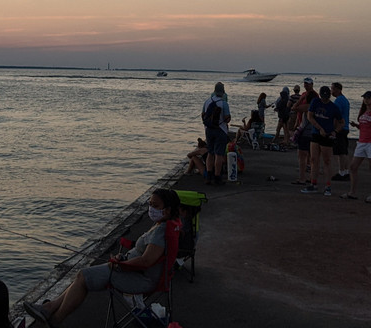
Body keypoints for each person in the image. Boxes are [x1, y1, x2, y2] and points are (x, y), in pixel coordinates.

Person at [23, 189, 181, 327]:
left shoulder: (161, 231)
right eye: (150, 204)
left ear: (167, 210)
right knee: (81, 276)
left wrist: (121, 264)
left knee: (83, 276)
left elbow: (146, 261)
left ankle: (55, 320)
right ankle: (49, 308)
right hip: (130, 270)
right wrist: (122, 259)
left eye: (155, 206)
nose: (151, 208)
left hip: (140, 279)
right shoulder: (162, 225)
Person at [344, 91, 371, 203]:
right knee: (353, 167)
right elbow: (364, 127)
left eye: (368, 98)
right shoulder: (363, 111)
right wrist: (356, 125)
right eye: (365, 98)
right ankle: (352, 192)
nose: (366, 100)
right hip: (362, 142)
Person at [301, 83, 340, 195]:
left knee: (327, 161)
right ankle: (313, 184)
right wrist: (319, 128)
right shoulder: (315, 102)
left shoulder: (333, 107)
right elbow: (310, 116)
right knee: (314, 159)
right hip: (316, 134)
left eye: (326, 97)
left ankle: (328, 186)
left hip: (327, 136)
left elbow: (341, 122)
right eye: (323, 97)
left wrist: (335, 131)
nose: (324, 99)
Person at [201, 82, 231, 184]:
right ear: (223, 91)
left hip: (209, 130)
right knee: (218, 154)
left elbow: (203, 115)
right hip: (220, 130)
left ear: (214, 90)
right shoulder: (224, 103)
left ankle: (208, 176)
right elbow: (227, 119)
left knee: (210, 153)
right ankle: (217, 177)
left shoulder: (207, 101)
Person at [290, 78, 317, 186]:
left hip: (306, 131)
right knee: (311, 156)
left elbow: (294, 108)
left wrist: (301, 99)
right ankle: (311, 177)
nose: (306, 86)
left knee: (302, 155)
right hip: (312, 130)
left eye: (307, 84)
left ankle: (302, 178)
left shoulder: (308, 106)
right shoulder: (315, 104)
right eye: (305, 84)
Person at [331, 82, 351, 183]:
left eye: (333, 89)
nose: (331, 91)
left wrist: (333, 128)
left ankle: (342, 172)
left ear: (338, 90)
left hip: (340, 128)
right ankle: (345, 171)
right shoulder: (345, 100)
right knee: (344, 151)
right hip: (345, 127)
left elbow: (336, 115)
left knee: (340, 152)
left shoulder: (338, 101)